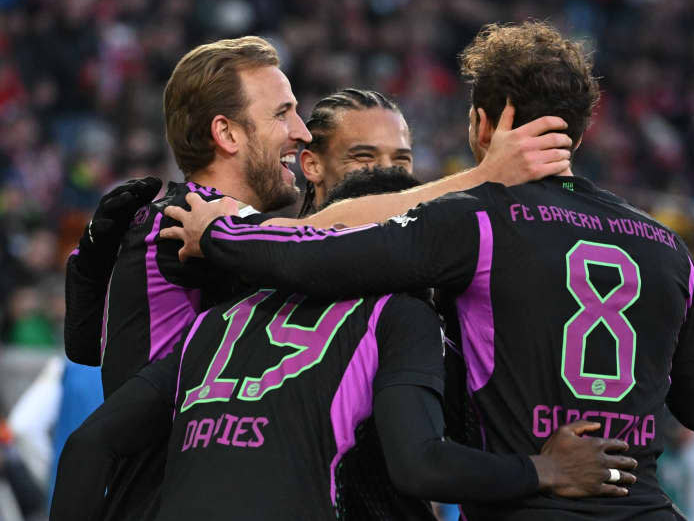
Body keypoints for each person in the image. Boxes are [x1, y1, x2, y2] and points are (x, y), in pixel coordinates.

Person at [164, 21, 694, 520]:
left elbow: (325, 255)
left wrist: (218, 231)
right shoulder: (666, 247)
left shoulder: (476, 222)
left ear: (481, 125)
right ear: (580, 134)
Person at [62, 33, 578, 519]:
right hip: (168, 497)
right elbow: (322, 239)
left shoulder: (234, 246)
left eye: (401, 158)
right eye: (282, 113)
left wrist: (87, 272)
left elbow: (90, 348)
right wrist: (482, 180)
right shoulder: (191, 220)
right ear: (227, 133)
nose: (299, 128)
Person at [52, 167, 636, 521]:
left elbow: (87, 446)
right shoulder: (397, 315)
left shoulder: (221, 317)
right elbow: (421, 465)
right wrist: (543, 469)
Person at [298, 88, 413, 216]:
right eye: (364, 156)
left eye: (401, 158)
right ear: (312, 166)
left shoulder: (429, 234)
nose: (388, 168)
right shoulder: (279, 234)